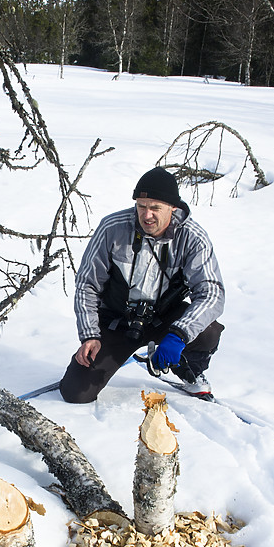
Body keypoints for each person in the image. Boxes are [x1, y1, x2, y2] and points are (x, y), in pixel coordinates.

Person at [59, 166, 225, 403]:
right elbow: (87, 284)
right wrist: (90, 335)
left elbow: (211, 293)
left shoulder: (192, 237)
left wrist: (179, 335)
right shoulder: (112, 228)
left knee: (208, 332)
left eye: (155, 208)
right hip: (117, 322)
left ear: (173, 207)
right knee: (76, 393)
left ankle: (188, 369)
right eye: (141, 207)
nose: (147, 215)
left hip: (165, 319)